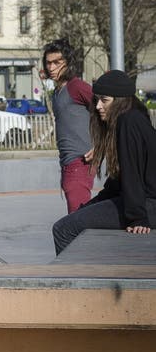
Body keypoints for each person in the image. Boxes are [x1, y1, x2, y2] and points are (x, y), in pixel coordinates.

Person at [52, 70, 156, 254]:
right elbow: (118, 183)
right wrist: (90, 206)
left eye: (104, 100)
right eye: (97, 100)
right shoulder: (134, 117)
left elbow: (132, 174)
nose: (98, 106)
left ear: (120, 101)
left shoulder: (128, 121)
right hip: (144, 202)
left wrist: (137, 218)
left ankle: (72, 279)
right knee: (75, 220)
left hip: (148, 205)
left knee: (64, 229)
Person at [41, 38, 95, 213]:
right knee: (76, 220)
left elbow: (109, 110)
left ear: (68, 63)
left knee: (78, 223)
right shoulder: (57, 92)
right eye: (48, 63)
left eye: (57, 62)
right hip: (67, 163)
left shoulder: (77, 86)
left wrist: (100, 146)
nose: (51, 67)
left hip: (80, 162)